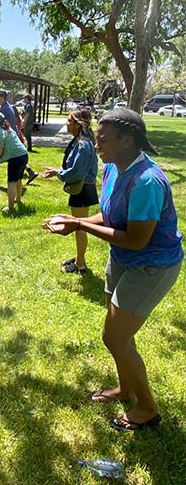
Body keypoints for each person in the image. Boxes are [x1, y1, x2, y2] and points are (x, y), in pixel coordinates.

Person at [43, 108, 183, 431]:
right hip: (121, 258)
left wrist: (79, 223)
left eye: (103, 139)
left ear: (127, 140)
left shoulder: (147, 180)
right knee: (120, 334)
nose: (97, 144)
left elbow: (136, 239)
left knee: (114, 336)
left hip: (152, 265)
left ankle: (147, 408)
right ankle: (125, 387)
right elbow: (108, 216)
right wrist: (72, 222)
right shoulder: (112, 169)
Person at [41, 107, 99, 274]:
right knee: (79, 226)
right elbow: (75, 167)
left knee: (79, 227)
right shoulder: (81, 141)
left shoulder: (83, 144)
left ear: (78, 124)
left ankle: (80, 264)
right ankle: (79, 257)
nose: (66, 123)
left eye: (69, 120)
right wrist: (57, 170)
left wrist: (58, 172)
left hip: (83, 189)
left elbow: (77, 172)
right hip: (82, 188)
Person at [0, 89, 38, 187]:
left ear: (1, 97)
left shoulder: (3, 109)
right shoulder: (8, 105)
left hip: (8, 137)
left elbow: (1, 126)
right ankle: (30, 172)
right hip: (13, 135)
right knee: (14, 156)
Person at [0, 111, 28, 213]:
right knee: (18, 180)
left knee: (11, 183)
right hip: (24, 155)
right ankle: (18, 199)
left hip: (16, 159)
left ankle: (10, 208)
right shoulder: (7, 128)